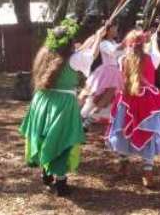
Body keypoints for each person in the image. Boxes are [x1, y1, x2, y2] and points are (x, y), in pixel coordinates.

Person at [19, 19, 105, 197]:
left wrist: (95, 36)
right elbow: (90, 55)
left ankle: (46, 173)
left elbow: (79, 53)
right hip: (63, 104)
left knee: (45, 136)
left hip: (42, 101)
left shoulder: (46, 54)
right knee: (62, 140)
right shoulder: (73, 58)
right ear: (69, 44)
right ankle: (61, 183)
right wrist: (98, 38)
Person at [106, 30, 160, 188]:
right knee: (148, 134)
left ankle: (123, 163)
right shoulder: (153, 57)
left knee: (124, 130)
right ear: (143, 43)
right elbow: (156, 55)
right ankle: (147, 172)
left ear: (128, 43)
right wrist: (154, 42)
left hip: (126, 99)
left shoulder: (122, 59)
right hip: (146, 102)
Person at [81, 21, 125, 130]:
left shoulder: (113, 42)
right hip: (106, 73)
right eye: (114, 28)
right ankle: (83, 118)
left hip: (114, 72)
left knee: (107, 99)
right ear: (108, 30)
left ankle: (88, 119)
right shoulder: (103, 43)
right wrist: (126, 42)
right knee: (95, 97)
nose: (116, 30)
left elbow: (121, 52)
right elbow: (113, 51)